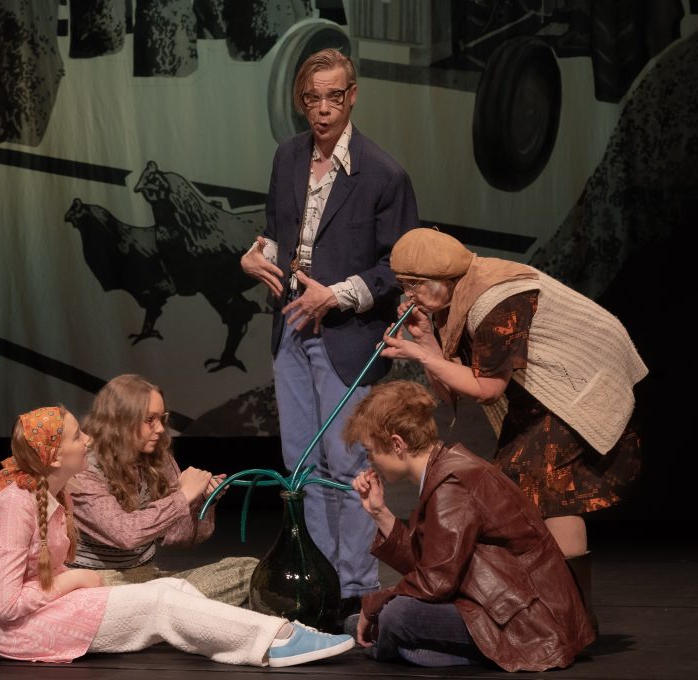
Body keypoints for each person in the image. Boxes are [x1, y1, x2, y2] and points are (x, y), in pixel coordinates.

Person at [379, 227, 647, 629]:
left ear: (441, 277)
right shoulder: (455, 300)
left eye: (414, 284)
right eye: (403, 284)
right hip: (539, 398)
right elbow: (456, 386)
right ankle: (555, 613)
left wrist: (422, 355)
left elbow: (487, 388)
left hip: (579, 388)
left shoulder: (496, 300)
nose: (408, 294)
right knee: (515, 490)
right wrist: (429, 345)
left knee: (549, 490)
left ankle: (569, 619)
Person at [0, 405, 354, 666]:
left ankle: (264, 634)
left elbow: (181, 536)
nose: (88, 441)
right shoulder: (15, 505)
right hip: (17, 632)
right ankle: (275, 640)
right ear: (53, 456)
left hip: (45, 609)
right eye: (77, 437)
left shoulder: (56, 491)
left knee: (175, 590)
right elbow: (6, 607)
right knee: (161, 603)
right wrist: (73, 580)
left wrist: (199, 501)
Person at [240, 47, 418, 616]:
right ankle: (317, 584)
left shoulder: (383, 174)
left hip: (347, 335)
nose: (323, 109)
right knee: (301, 463)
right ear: (302, 101)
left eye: (333, 97)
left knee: (346, 466)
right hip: (292, 328)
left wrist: (335, 294)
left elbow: (398, 267)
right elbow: (279, 234)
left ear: (352, 96)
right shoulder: (288, 157)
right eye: (312, 98)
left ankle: (356, 588)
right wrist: (255, 256)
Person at [345, 380, 593, 671]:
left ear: (397, 444)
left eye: (370, 451)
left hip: (528, 622)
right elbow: (429, 567)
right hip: (491, 603)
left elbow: (434, 583)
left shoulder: (451, 483)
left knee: (395, 615)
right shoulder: (443, 471)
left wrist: (376, 604)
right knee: (374, 618)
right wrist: (379, 512)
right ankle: (402, 645)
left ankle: (396, 643)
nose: (370, 461)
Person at [67, 374, 256, 605]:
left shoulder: (157, 459)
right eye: (150, 420)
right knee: (167, 601)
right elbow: (126, 534)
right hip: (100, 584)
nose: (159, 429)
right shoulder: (84, 468)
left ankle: (172, 609)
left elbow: (179, 537)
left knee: (251, 570)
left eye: (161, 418)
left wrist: (202, 501)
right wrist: (183, 496)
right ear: (121, 420)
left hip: (147, 578)